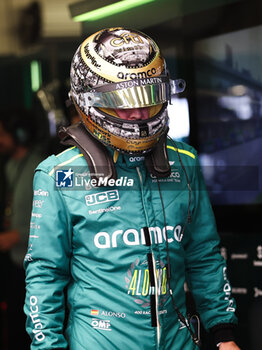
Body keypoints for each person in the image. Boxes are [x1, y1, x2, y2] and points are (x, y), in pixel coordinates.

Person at [24, 27, 240, 350]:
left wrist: (225, 336)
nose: (139, 114)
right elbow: (44, 276)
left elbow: (203, 255)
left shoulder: (184, 163)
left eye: (149, 99)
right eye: (125, 103)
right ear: (88, 100)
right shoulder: (58, 175)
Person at [0, 108, 44, 349]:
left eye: (2, 134)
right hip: (16, 264)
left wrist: (16, 235)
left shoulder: (40, 169)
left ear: (20, 134)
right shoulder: (10, 166)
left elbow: (51, 224)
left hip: (35, 268)